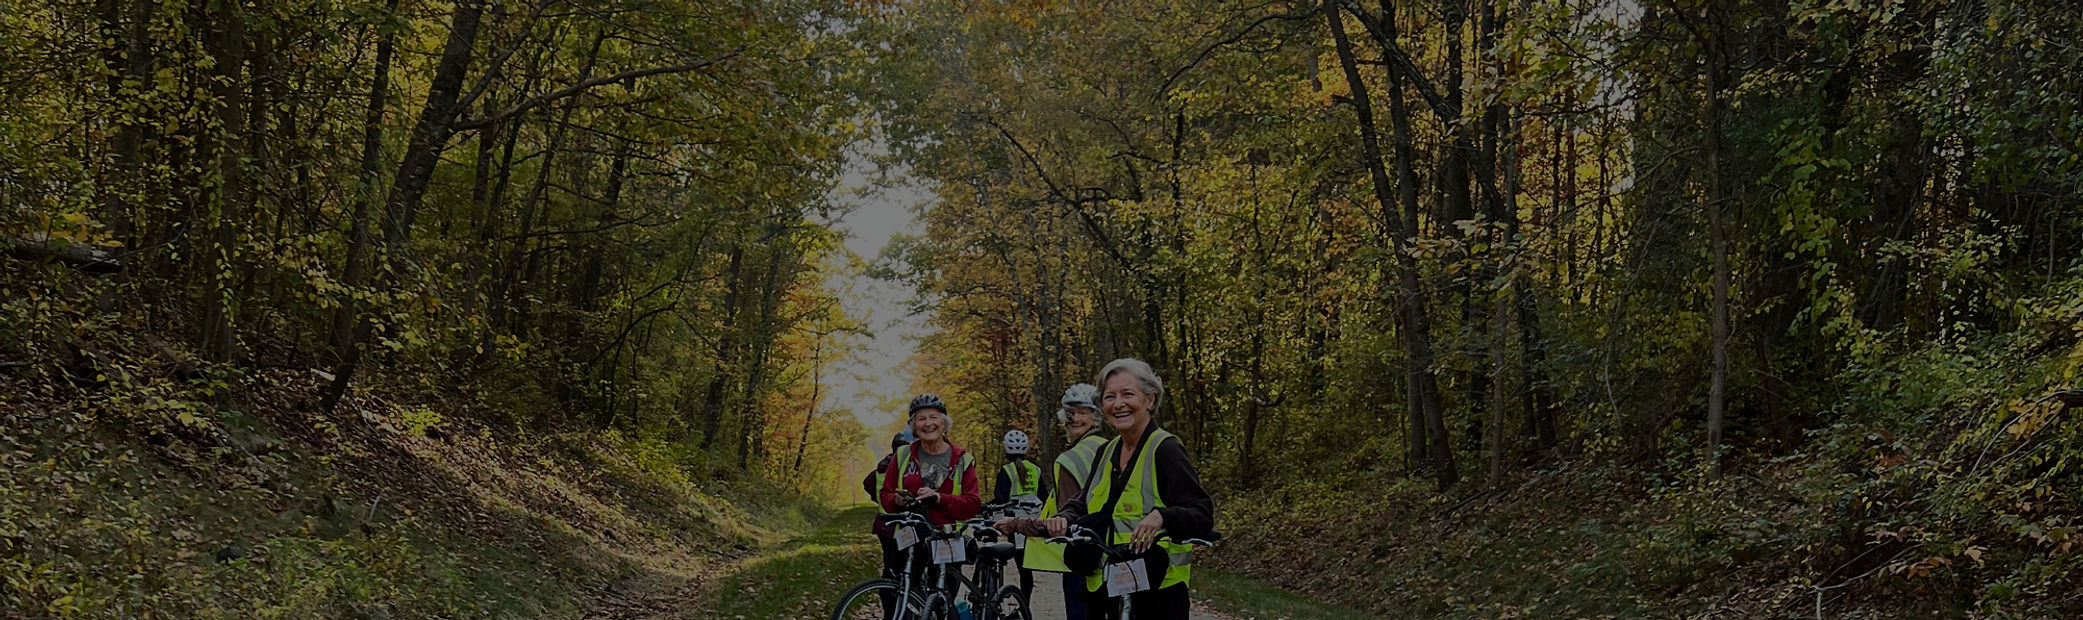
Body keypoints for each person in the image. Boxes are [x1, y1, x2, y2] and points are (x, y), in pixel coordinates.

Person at [1042, 359, 1214, 620]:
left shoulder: (1165, 450)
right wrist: (1063, 518)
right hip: (1105, 588)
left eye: (1128, 394)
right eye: (1110, 397)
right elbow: (1083, 502)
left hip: (1157, 593)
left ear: (1150, 400)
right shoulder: (1106, 451)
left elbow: (1201, 513)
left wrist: (1163, 516)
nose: (1118, 403)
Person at [998, 383, 1108, 620]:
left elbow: (1065, 519)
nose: (1075, 418)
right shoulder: (1112, 447)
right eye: (1071, 412)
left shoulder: (1070, 459)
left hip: (1083, 556)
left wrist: (1016, 524)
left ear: (1097, 415)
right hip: (1111, 551)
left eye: (1083, 412)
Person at [878, 394, 982, 599]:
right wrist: (897, 501)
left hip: (946, 538)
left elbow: (972, 505)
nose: (928, 424)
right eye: (921, 419)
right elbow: (885, 496)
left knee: (942, 601)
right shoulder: (902, 455)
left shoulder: (962, 459)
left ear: (944, 424)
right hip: (910, 537)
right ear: (914, 426)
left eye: (933, 417)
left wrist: (939, 498)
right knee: (900, 597)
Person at [992, 429, 1047, 601]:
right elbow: (1044, 497)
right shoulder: (1036, 470)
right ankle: (1025, 605)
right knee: (1025, 570)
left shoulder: (1006, 471)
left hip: (1014, 525)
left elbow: (1000, 499)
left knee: (1008, 563)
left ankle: (1001, 599)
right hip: (1032, 524)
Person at [864, 428, 914, 612]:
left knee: (890, 569)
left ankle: (889, 610)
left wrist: (877, 498)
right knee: (907, 570)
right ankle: (905, 608)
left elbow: (867, 483)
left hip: (884, 525)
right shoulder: (905, 466)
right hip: (903, 527)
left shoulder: (881, 466)